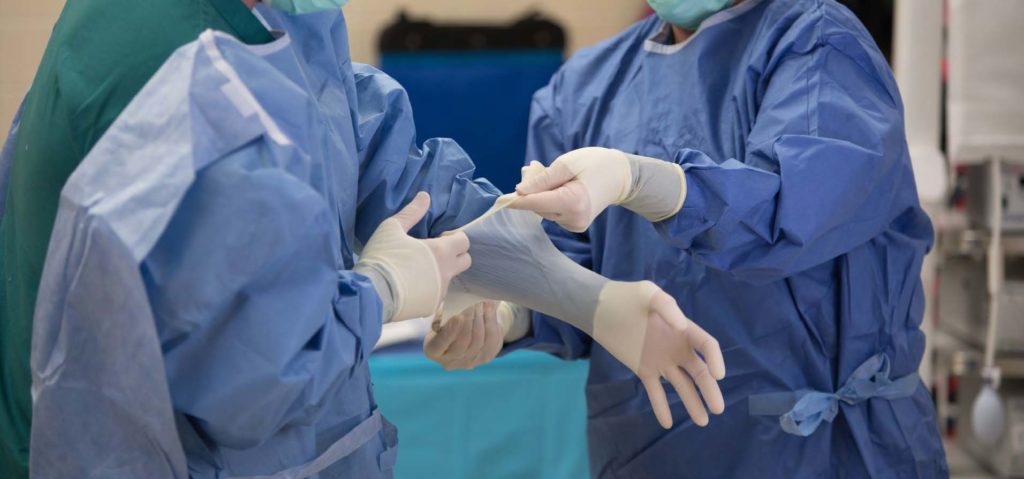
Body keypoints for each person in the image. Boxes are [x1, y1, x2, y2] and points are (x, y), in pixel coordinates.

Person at [425, 0, 949, 476]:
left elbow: (793, 209)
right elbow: (569, 266)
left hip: (821, 452)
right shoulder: (581, 89)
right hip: (654, 453)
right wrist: (509, 315)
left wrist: (641, 181)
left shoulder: (816, 42)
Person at [1, 0, 494, 477]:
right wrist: (385, 289)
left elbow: (340, 130)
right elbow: (258, 376)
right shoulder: (179, 73)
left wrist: (499, 225)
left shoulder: (270, 16)